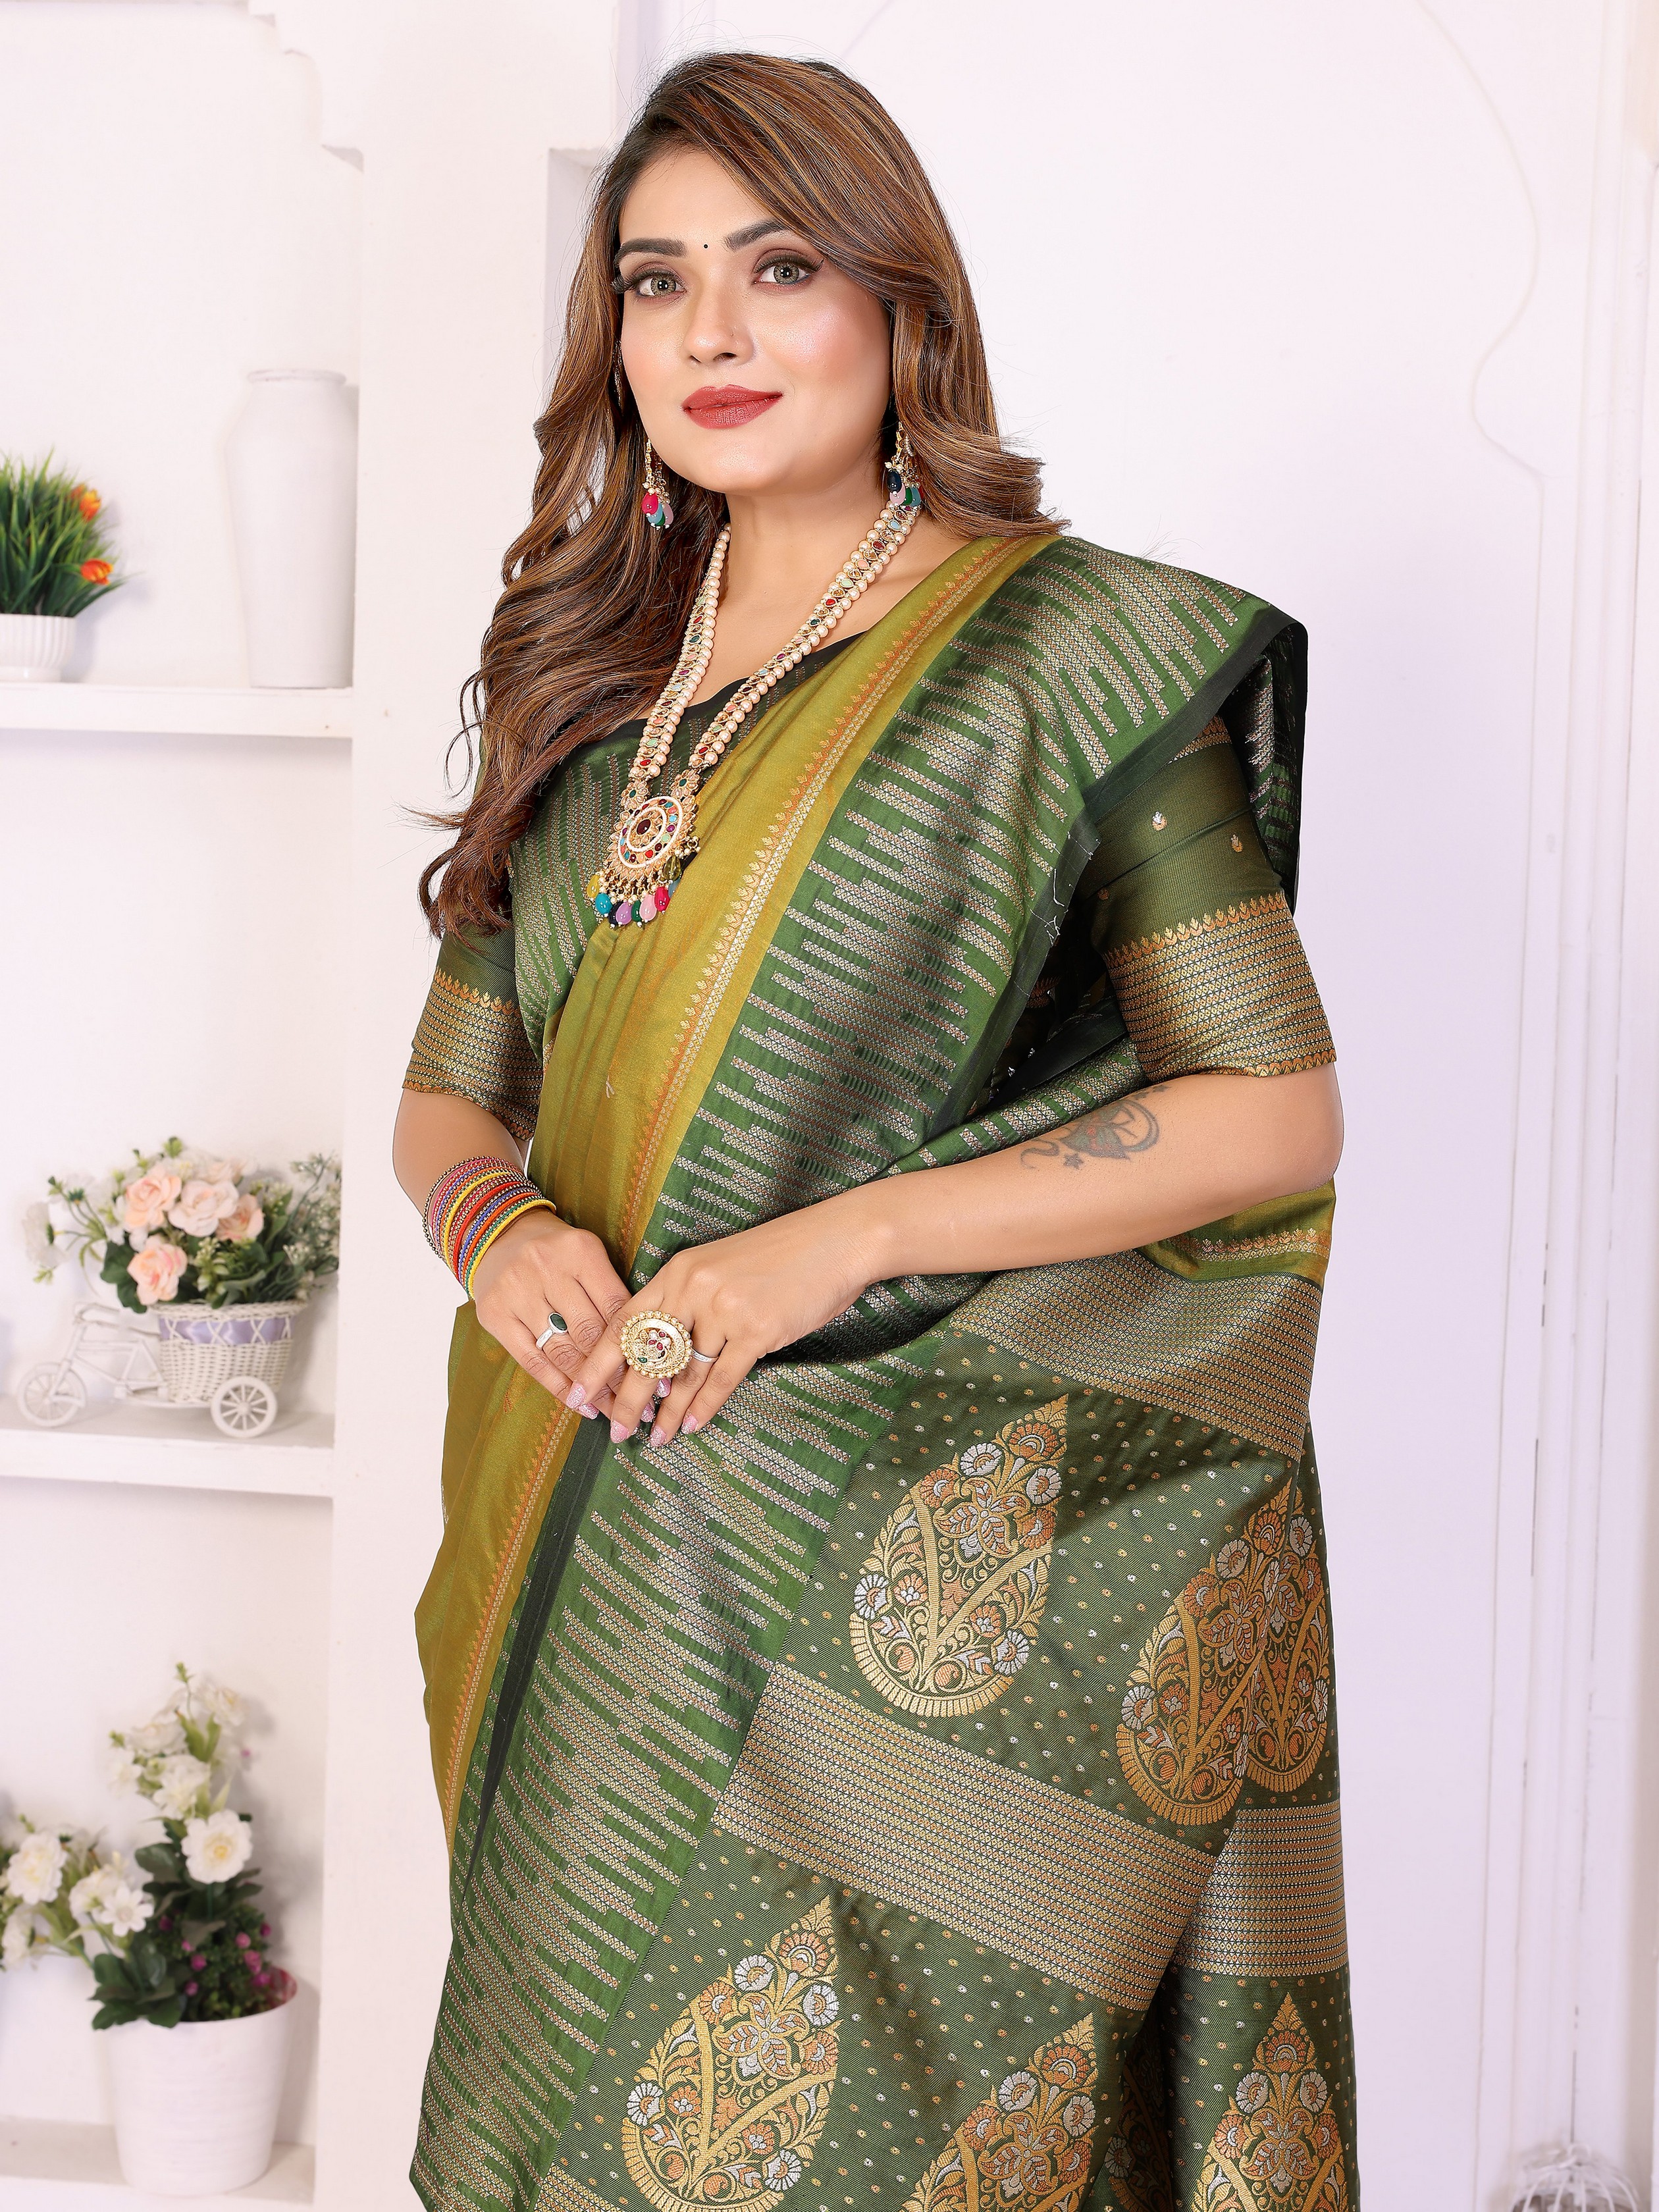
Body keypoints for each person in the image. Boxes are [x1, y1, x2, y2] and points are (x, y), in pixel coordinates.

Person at [394, 50, 1356, 2212]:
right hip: (599, 1555)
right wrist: (497, 1232)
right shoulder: (586, 669)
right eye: (657, 282)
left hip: (877, 1595)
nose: (711, 334)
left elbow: (1272, 1106)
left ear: (900, 304)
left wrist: (830, 1243)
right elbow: (450, 1095)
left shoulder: (1068, 660)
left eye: (780, 267)